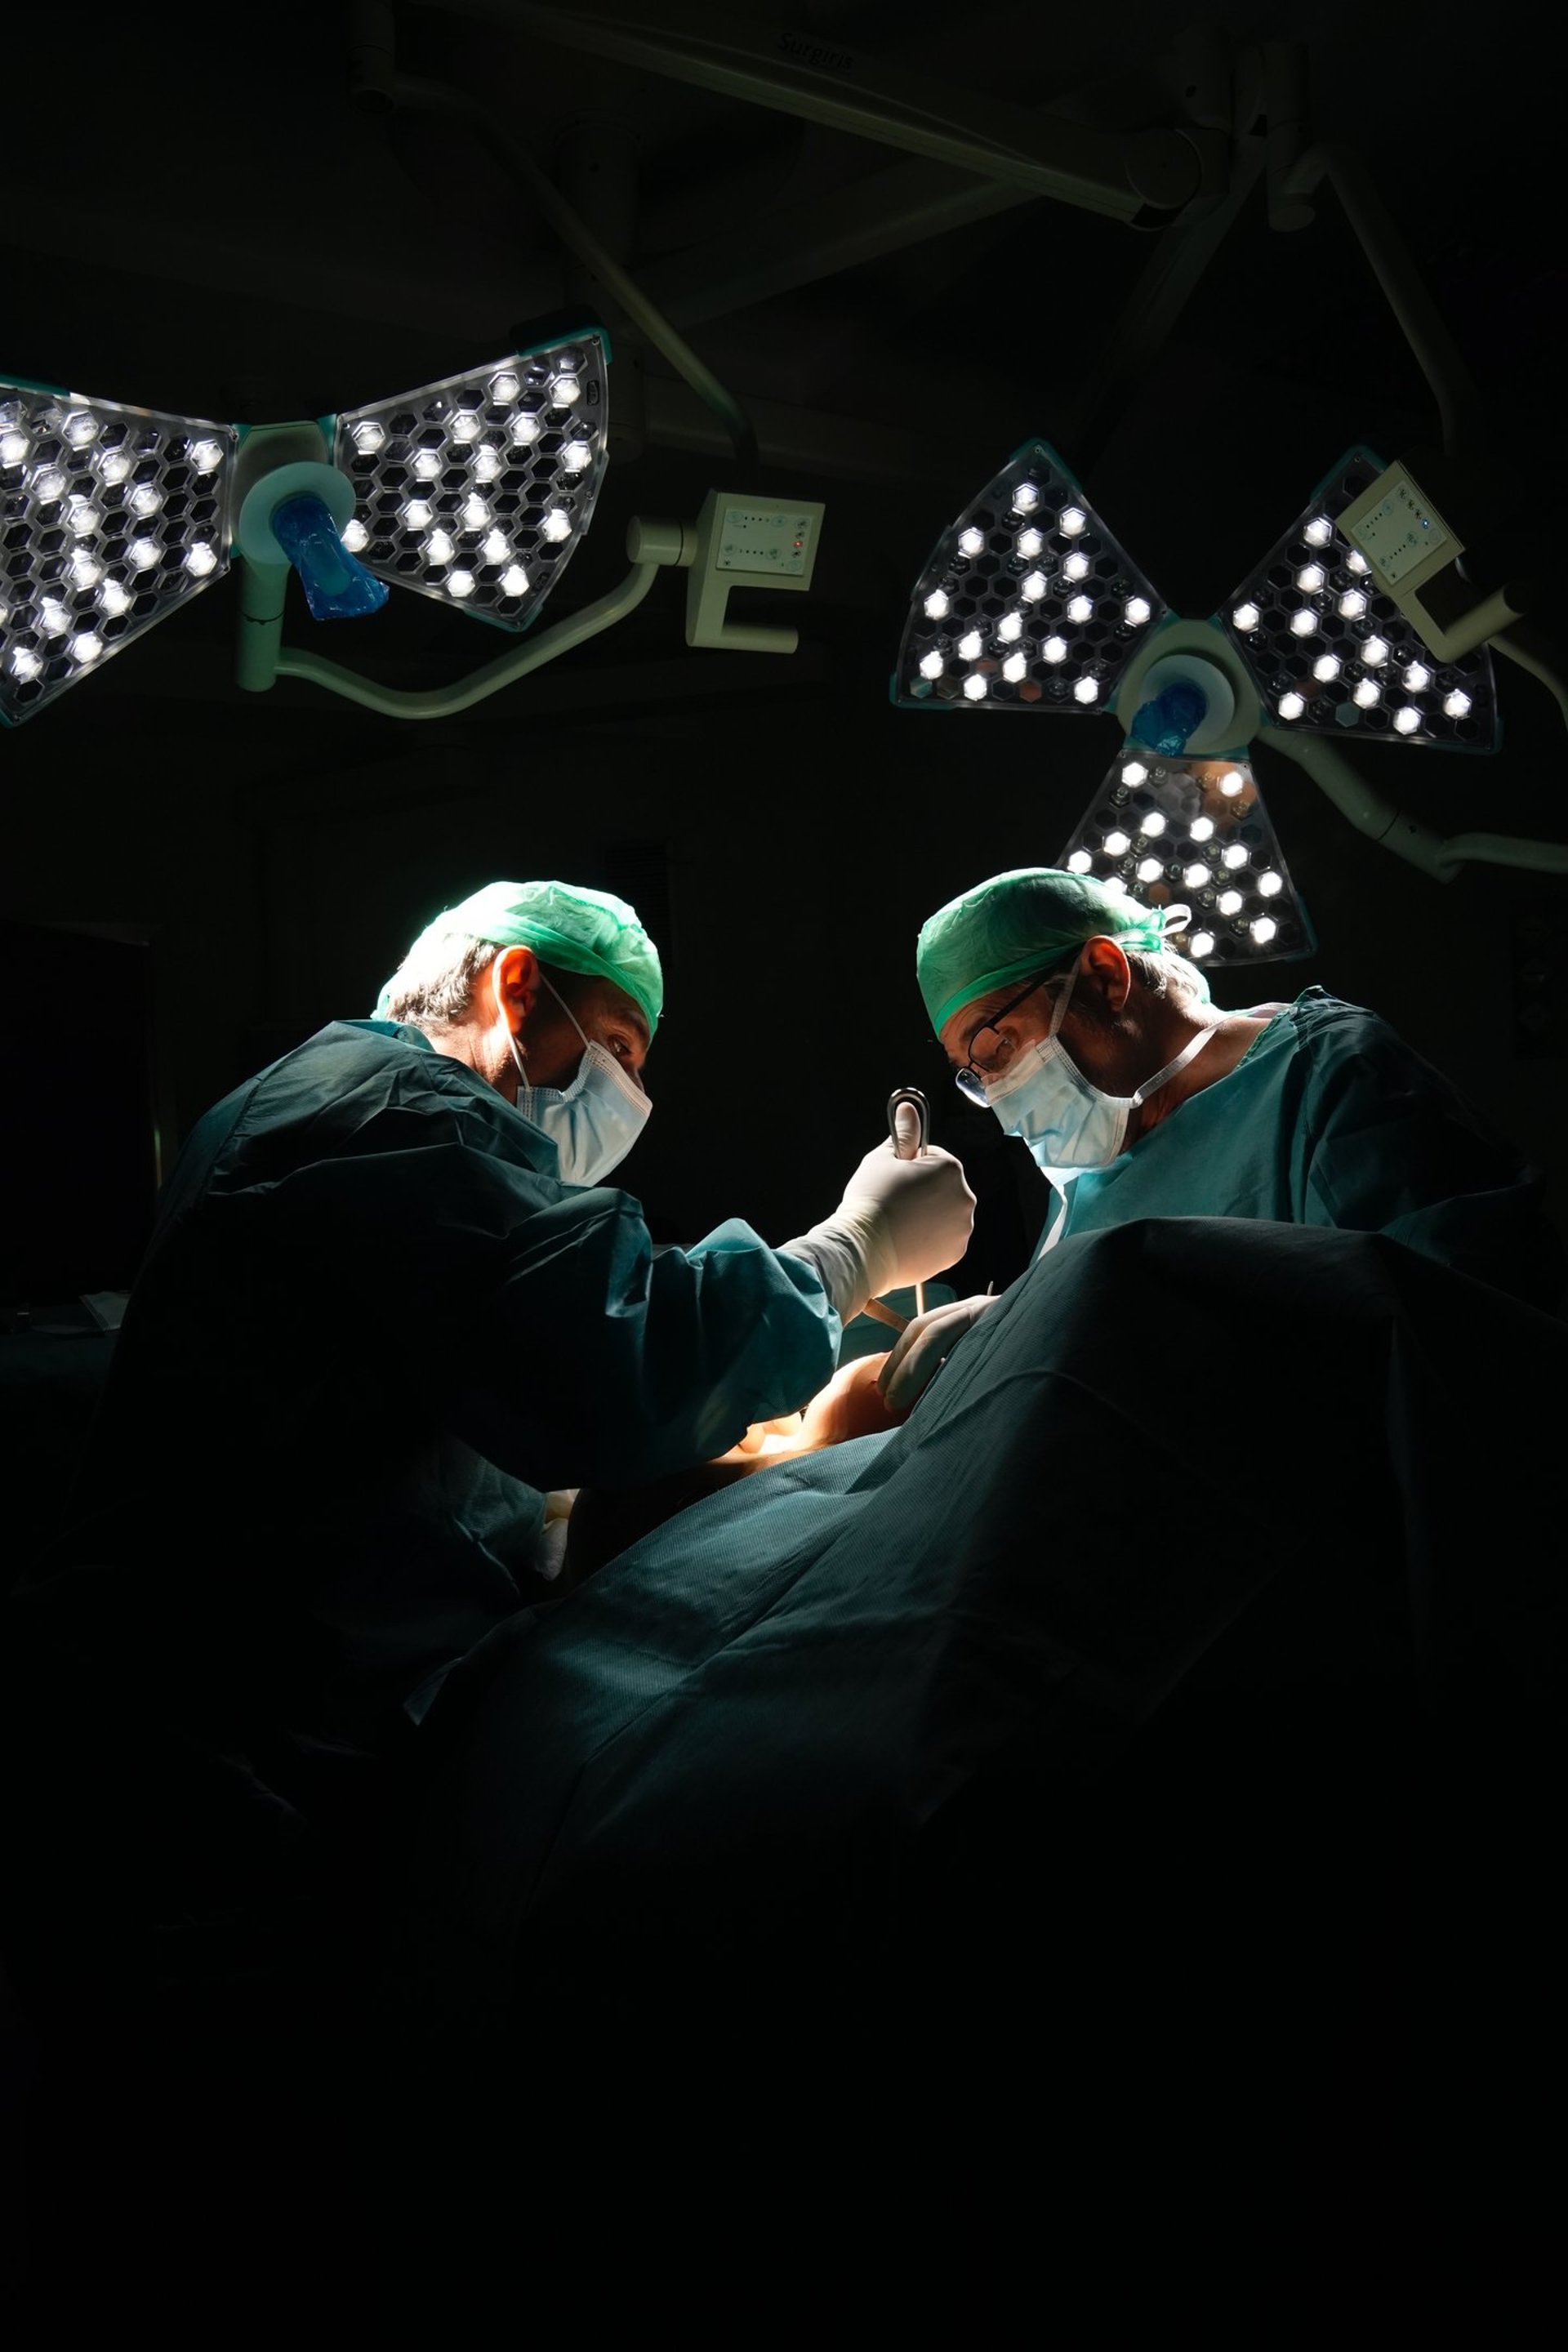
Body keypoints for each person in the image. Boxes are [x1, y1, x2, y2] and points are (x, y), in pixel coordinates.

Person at [20, 879, 973, 1813]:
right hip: (245, 1740)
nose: (633, 1094)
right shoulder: (395, 1112)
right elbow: (615, 1362)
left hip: (248, 1705)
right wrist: (855, 1248)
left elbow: (443, 1381)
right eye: (615, 1048)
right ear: (516, 986)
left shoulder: (325, 1097)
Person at [880, 866, 1563, 1408]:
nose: (999, 1098)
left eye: (996, 1048)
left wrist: (1089, 1331)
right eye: (974, 1075)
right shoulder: (1093, 1160)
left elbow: (1459, 1344)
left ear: (1105, 977)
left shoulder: (1328, 1075)